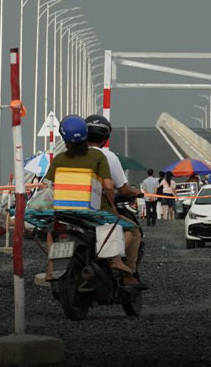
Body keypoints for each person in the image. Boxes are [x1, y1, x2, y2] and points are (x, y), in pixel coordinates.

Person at [43, 116, 140, 284]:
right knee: (130, 229)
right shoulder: (97, 156)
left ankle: (51, 267)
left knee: (53, 229)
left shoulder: (59, 159)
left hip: (64, 209)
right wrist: (112, 207)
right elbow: (109, 186)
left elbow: (47, 186)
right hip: (93, 209)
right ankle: (116, 261)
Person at [82, 114, 145, 277]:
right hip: (97, 209)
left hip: (67, 207)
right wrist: (134, 192)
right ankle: (128, 271)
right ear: (105, 138)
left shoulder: (69, 156)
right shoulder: (108, 157)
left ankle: (51, 268)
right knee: (133, 229)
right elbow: (120, 190)